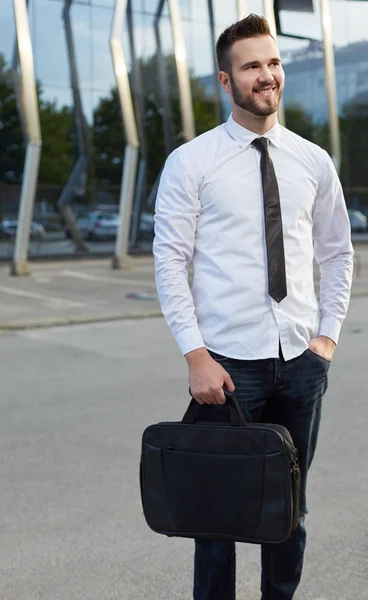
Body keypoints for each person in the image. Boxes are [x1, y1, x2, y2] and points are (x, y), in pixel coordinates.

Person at [152, 13, 354, 600]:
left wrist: (326, 341)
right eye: (251, 67)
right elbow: (169, 264)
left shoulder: (313, 160)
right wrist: (195, 356)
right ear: (225, 80)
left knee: (287, 511)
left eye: (272, 63)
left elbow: (339, 254)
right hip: (226, 368)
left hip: (300, 363)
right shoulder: (192, 162)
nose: (266, 76)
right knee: (216, 518)